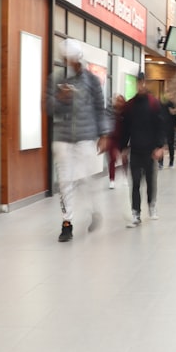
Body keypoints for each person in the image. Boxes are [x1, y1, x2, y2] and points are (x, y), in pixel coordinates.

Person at [45, 38, 112, 242]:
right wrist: (59, 99)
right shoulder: (56, 78)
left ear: (78, 58)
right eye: (65, 59)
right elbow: (47, 107)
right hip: (63, 139)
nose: (69, 62)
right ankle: (67, 223)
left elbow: (100, 109)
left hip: (85, 137)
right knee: (65, 182)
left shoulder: (92, 80)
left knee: (86, 179)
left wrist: (103, 134)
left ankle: (95, 211)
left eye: (71, 59)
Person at [116, 72, 167, 227]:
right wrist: (123, 148)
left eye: (142, 82)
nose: (140, 85)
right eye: (138, 82)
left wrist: (159, 147)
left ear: (145, 83)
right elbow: (125, 128)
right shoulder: (130, 106)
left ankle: (152, 205)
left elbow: (160, 126)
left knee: (151, 182)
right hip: (136, 150)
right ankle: (136, 213)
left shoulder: (154, 104)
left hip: (151, 151)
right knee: (136, 182)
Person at [107, 94, 127, 189]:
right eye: (117, 100)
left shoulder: (126, 113)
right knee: (112, 159)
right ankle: (112, 180)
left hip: (123, 138)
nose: (118, 102)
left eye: (120, 100)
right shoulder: (111, 111)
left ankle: (125, 176)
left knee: (124, 159)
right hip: (112, 138)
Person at [159, 96, 176, 168]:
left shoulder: (170, 104)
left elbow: (174, 116)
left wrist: (175, 125)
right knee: (162, 145)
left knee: (170, 145)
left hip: (169, 127)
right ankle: (161, 162)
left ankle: (170, 161)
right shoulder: (159, 104)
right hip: (163, 127)